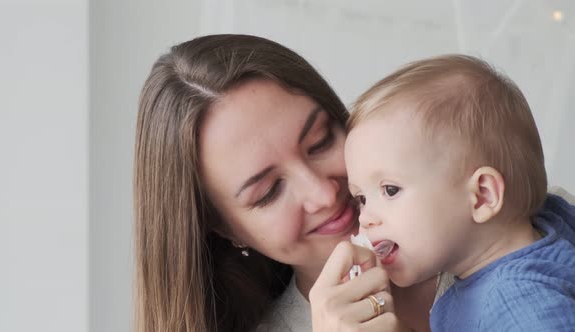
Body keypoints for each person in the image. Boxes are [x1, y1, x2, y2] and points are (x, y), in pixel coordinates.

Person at [135, 34, 575, 332]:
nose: (326, 193)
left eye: (321, 140)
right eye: (268, 192)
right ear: (223, 229)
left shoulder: (524, 232)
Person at [319, 54, 575, 331]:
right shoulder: (551, 220)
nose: (366, 218)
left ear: (482, 196)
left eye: (390, 190)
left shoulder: (519, 305)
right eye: (362, 199)